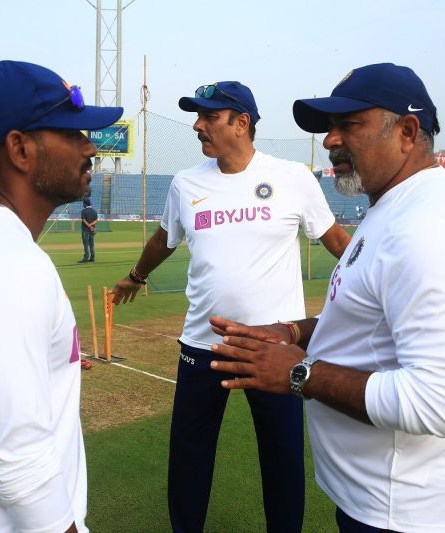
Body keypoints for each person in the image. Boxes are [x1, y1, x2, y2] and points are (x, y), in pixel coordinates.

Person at [210, 63, 445, 533]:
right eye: (329, 127)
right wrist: (290, 331)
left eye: (349, 125)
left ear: (406, 132)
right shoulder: (394, 207)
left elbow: (441, 403)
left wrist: (299, 372)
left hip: (407, 512)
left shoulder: (427, 231)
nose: (330, 140)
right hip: (378, 499)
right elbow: (367, 319)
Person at [111, 80, 350, 532]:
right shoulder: (185, 183)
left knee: (281, 457)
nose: (198, 126)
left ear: (241, 123)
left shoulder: (292, 177)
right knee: (189, 455)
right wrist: (136, 276)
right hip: (203, 347)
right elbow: (166, 237)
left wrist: (382, 279)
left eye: (209, 117)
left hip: (273, 348)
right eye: (197, 117)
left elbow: (337, 240)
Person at [0, 60, 122, 532]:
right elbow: (20, 465)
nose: (90, 148)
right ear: (19, 148)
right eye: (73, 134)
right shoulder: (4, 267)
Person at [78, 197, 98, 262]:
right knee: (91, 244)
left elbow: (84, 220)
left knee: (86, 244)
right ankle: (92, 257)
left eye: (83, 203)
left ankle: (86, 258)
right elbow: (96, 220)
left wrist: (89, 226)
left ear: (85, 204)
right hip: (92, 230)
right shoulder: (94, 211)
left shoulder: (83, 211)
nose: (83, 204)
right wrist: (91, 226)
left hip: (85, 230)